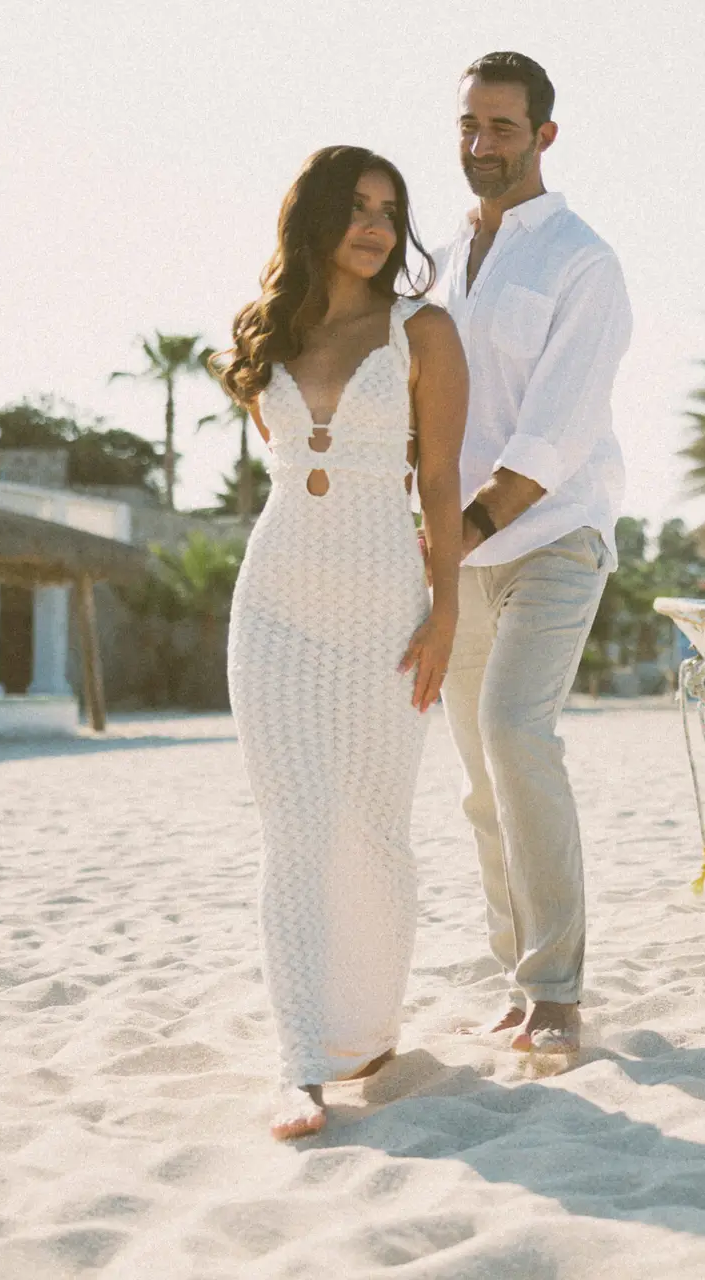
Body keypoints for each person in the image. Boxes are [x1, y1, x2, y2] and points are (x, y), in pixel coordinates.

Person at [214, 145, 469, 1141]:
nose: (373, 226)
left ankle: (362, 1032)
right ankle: (301, 1062)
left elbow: (440, 483)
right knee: (297, 830)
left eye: (390, 210)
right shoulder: (261, 332)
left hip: (384, 608)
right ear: (314, 215)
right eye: (356, 206)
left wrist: (445, 610)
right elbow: (291, 467)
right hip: (274, 603)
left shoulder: (426, 331)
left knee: (370, 829)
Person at [440, 53, 633, 1057]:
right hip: (458, 556)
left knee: (518, 735)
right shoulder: (432, 262)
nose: (481, 145)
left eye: (502, 128)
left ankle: (556, 988)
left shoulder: (581, 260)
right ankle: (516, 976)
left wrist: (462, 527)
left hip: (554, 533)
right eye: (469, 125)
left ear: (545, 136)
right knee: (480, 777)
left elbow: (555, 434)